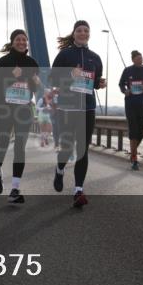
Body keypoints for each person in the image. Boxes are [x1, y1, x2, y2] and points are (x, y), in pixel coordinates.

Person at [49, 20, 105, 208]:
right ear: (73, 34)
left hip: (87, 109)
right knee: (66, 147)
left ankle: (78, 190)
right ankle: (59, 168)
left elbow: (95, 82)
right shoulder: (64, 55)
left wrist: (100, 83)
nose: (83, 33)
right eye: (79, 30)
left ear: (89, 34)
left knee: (83, 149)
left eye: (86, 31)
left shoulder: (95, 58)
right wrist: (69, 75)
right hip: (67, 108)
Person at [0, 29, 41, 203]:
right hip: (5, 109)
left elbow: (35, 87)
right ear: (12, 42)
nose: (21, 42)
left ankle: (15, 188)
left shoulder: (32, 63)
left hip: (24, 109)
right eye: (18, 39)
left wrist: (36, 83)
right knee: (2, 145)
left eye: (24, 40)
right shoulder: (3, 62)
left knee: (20, 147)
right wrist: (11, 77)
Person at [118, 50, 143, 170]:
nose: (141, 60)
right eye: (138, 58)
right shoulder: (128, 70)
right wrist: (125, 91)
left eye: (142, 58)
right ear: (133, 60)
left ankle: (132, 152)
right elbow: (121, 84)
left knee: (140, 131)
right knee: (133, 129)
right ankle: (134, 158)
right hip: (130, 103)